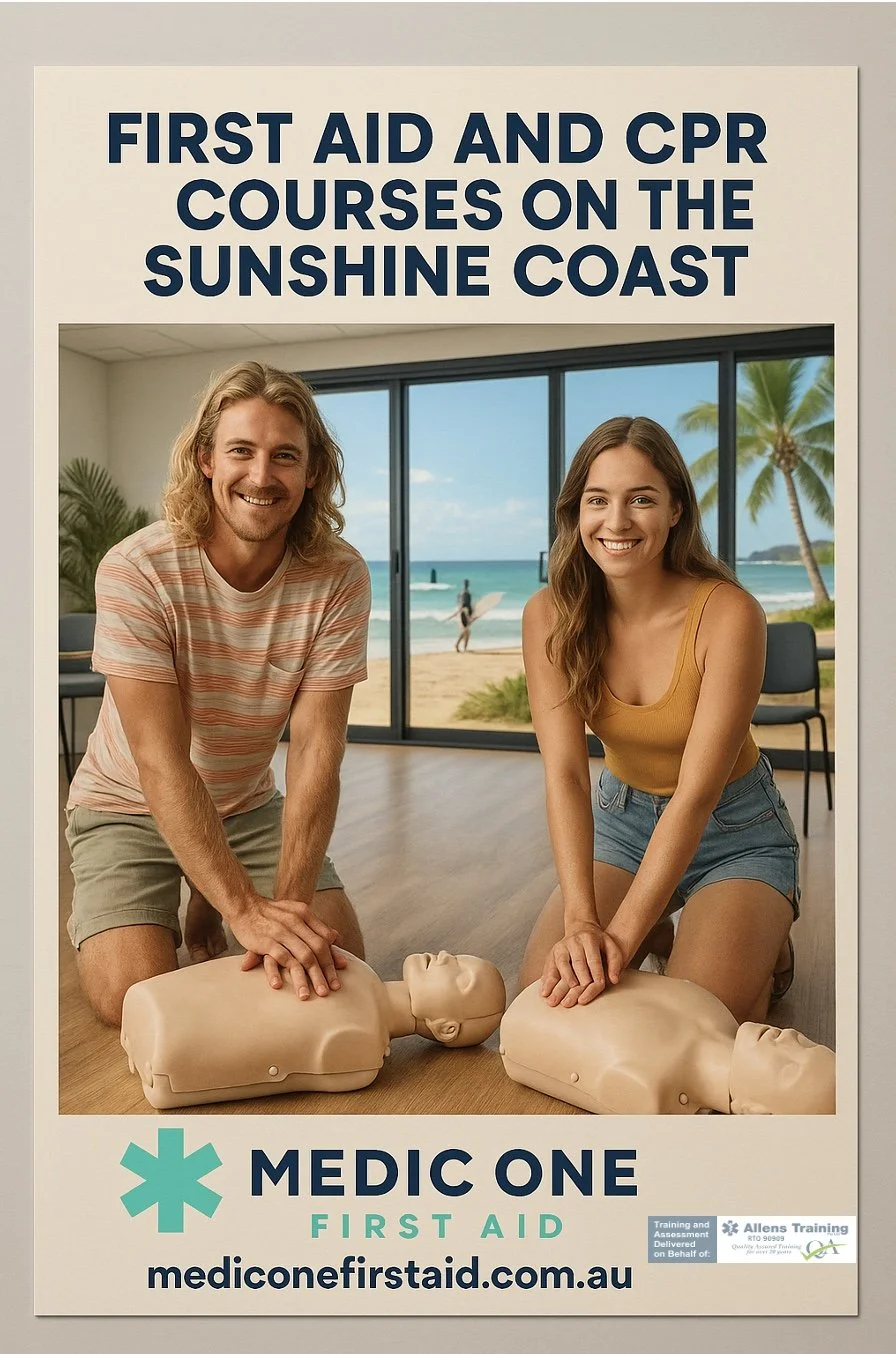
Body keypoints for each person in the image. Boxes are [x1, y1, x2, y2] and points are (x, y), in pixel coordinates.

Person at [65, 361, 372, 1026]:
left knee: (337, 960)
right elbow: (161, 763)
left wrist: (281, 913)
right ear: (206, 459)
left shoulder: (338, 575)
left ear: (313, 470)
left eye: (285, 456)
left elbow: (319, 753)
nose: (262, 477)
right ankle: (195, 889)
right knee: (127, 999)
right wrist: (244, 910)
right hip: (126, 803)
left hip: (245, 802)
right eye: (241, 451)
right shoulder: (136, 570)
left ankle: (208, 887)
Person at [519, 415, 800, 1028]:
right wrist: (582, 923)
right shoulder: (549, 615)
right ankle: (673, 929)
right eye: (598, 500)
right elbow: (566, 774)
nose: (615, 522)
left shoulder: (729, 614)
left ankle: (755, 932)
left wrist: (619, 939)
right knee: (542, 987)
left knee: (703, 1017)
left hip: (735, 826)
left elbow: (696, 794)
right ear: (577, 511)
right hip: (623, 822)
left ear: (675, 509)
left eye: (640, 499)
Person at [121, 950, 507, 1109]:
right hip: (162, 1016)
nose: (445, 956)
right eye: (458, 955)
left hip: (168, 1040)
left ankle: (163, 1053)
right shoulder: (356, 968)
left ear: (447, 1029)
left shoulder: (361, 1050)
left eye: (462, 977)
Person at [501, 969, 834, 1115]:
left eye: (790, 1067)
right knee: (543, 966)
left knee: (540, 983)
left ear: (756, 1112)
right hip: (626, 839)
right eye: (806, 1043)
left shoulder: (653, 1092)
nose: (790, 1037)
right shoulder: (717, 1011)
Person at [454, 578, 474, 652]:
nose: (467, 585)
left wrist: (459, 611)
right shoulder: (466, 593)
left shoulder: (460, 593)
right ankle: (458, 645)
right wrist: (467, 615)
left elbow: (458, 603)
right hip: (465, 613)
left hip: (464, 613)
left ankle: (464, 647)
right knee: (466, 631)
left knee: (467, 631)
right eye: (466, 584)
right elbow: (465, 605)